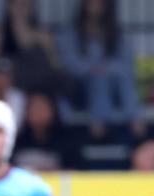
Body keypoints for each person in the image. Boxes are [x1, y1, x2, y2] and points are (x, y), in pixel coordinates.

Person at [59, 0, 143, 140]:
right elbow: (70, 65)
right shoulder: (71, 33)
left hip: (112, 90)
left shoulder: (117, 34)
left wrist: (105, 69)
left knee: (122, 80)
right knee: (98, 79)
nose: (95, 4)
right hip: (81, 90)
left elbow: (126, 66)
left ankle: (135, 120)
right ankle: (99, 126)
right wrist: (93, 69)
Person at [0, 0, 66, 97]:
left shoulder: (44, 35)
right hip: (11, 93)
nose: (20, 7)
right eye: (16, 3)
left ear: (32, 6)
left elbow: (55, 66)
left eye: (25, 3)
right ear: (9, 6)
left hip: (40, 93)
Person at [14, 91, 78, 171]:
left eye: (42, 108)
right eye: (34, 108)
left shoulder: (67, 141)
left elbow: (75, 171)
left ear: (53, 110)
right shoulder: (17, 141)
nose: (38, 113)